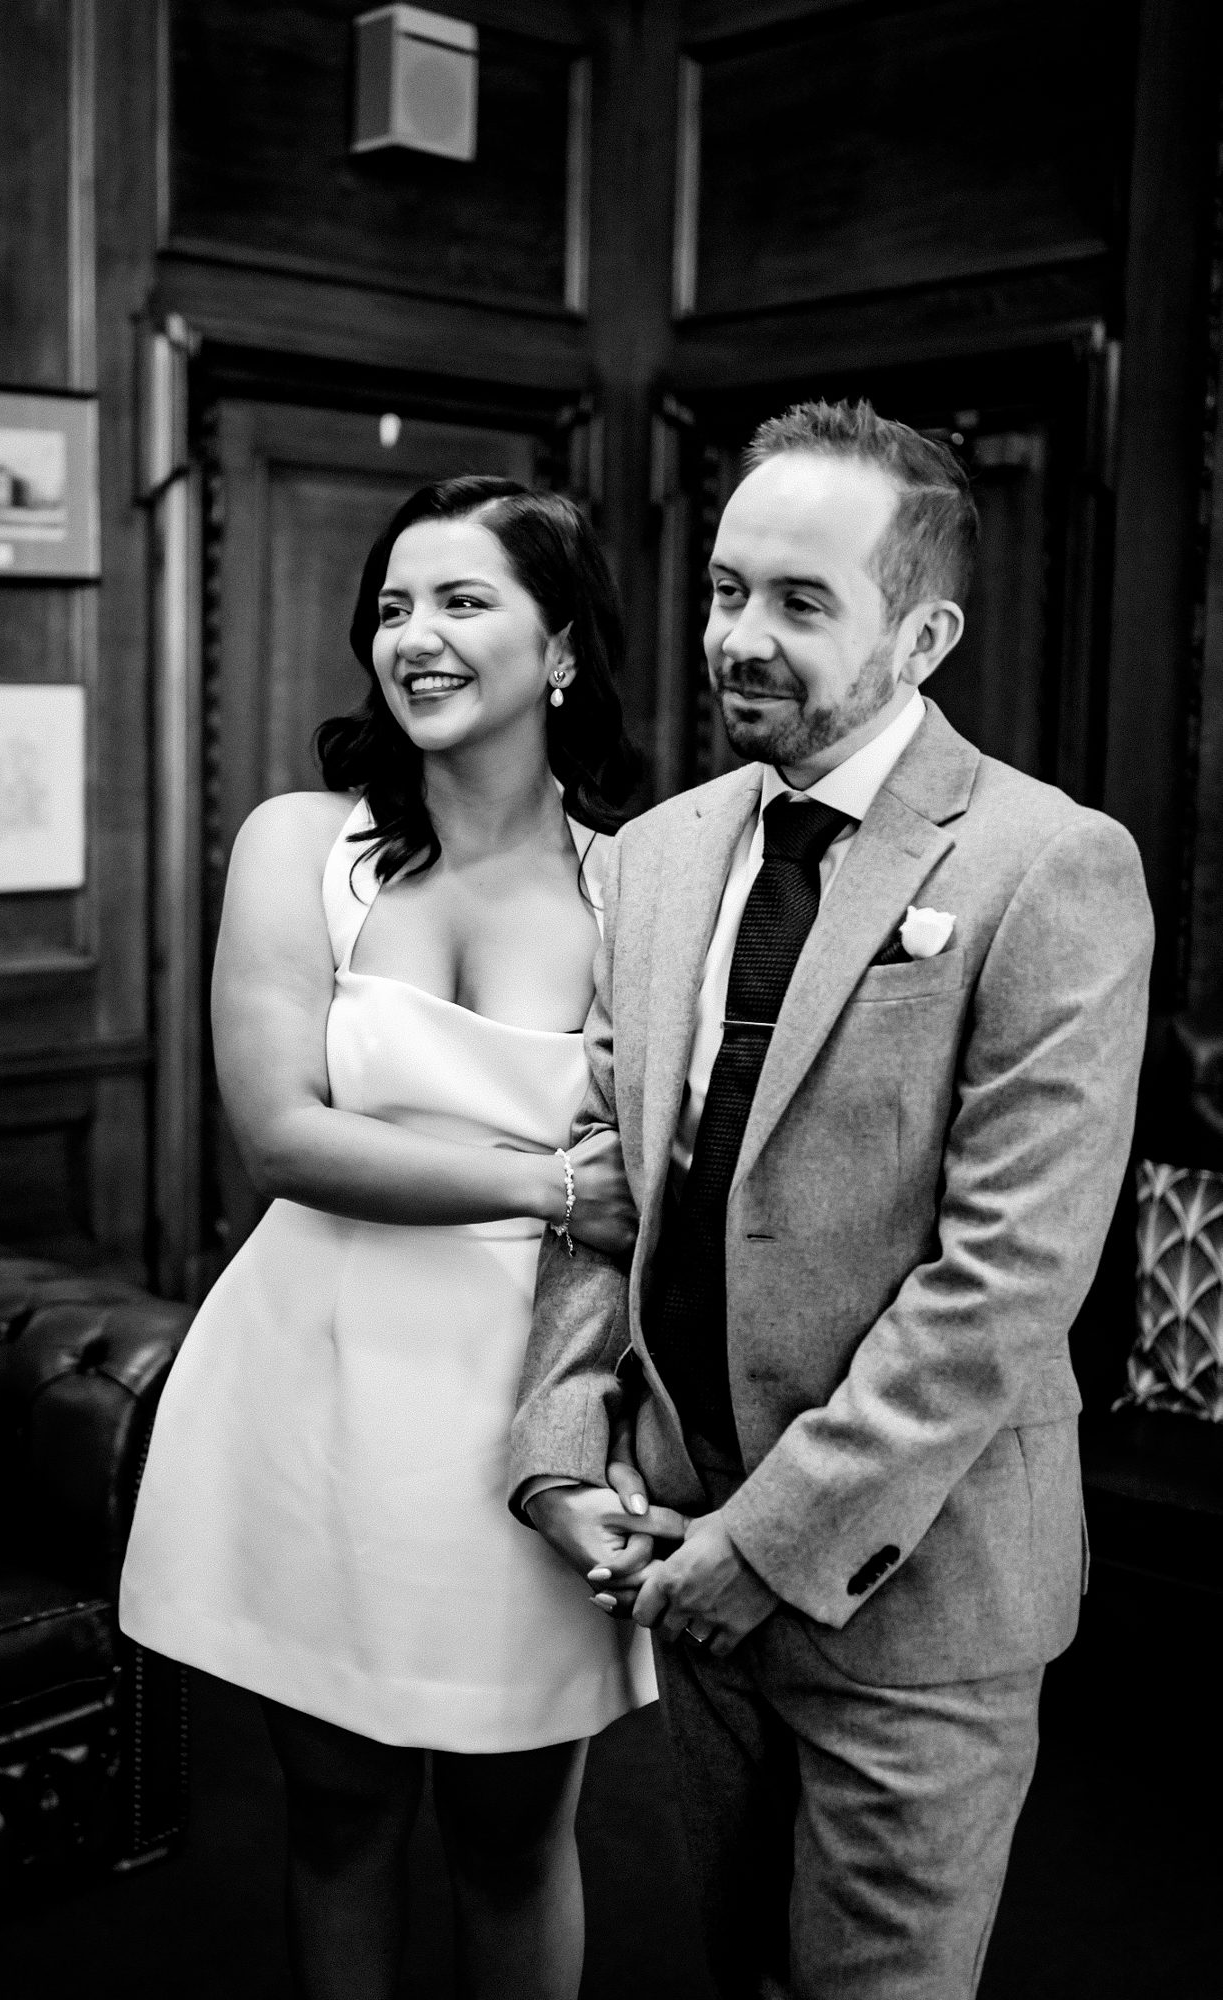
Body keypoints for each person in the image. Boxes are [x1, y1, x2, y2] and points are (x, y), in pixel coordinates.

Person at [511, 400, 1155, 2000]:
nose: (740, 635)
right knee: (738, 1970)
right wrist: (559, 1450)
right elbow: (607, 1186)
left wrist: (770, 1542)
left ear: (921, 635)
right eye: (729, 589)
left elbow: (1006, 1280)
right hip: (677, 1545)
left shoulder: (1049, 864)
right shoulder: (655, 855)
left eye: (801, 602)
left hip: (916, 1586)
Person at [120, 476, 673, 2000]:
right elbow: (281, 1136)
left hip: (526, 1404)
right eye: (391, 607)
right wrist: (550, 1185)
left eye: (462, 601)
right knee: (338, 1817)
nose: (414, 636)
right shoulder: (304, 845)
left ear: (562, 648)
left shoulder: (639, 887)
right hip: (318, 1381)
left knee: (515, 1835)